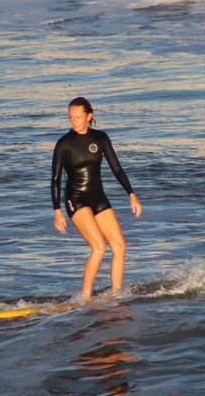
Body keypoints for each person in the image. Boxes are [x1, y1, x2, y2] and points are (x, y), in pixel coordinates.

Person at [51, 97, 142, 300]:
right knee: (99, 247)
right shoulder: (64, 144)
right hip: (76, 199)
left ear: (89, 116)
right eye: (70, 118)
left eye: (78, 117)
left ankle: (116, 294)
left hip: (98, 197)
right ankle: (85, 297)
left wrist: (132, 194)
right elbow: (55, 179)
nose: (74, 121)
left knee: (119, 245)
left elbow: (117, 169)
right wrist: (57, 211)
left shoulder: (100, 138)